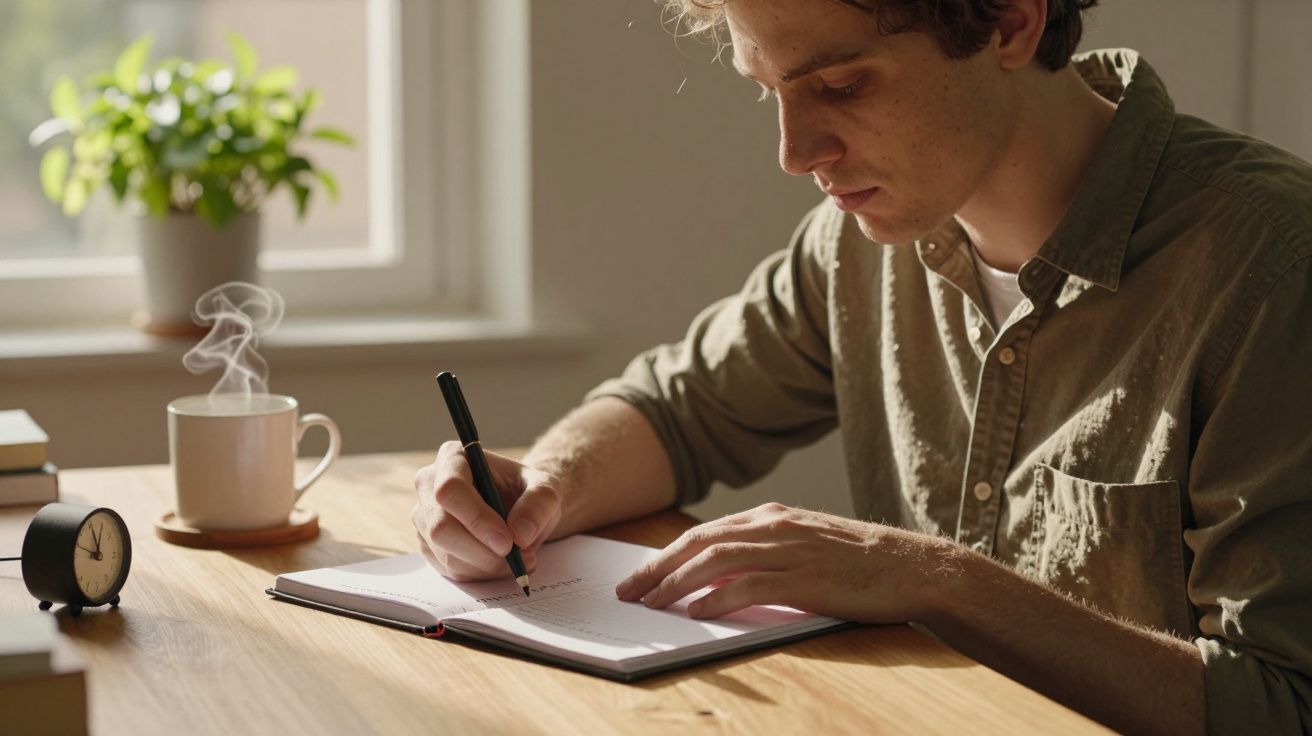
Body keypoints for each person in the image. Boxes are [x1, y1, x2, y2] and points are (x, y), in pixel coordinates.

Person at [411, 0, 1312, 732]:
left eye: (840, 84)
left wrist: (935, 580)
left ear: (1009, 23)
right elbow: (673, 412)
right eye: (768, 89)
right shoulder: (857, 246)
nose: (795, 153)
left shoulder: (1272, 268)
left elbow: (1281, 705)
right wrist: (539, 490)